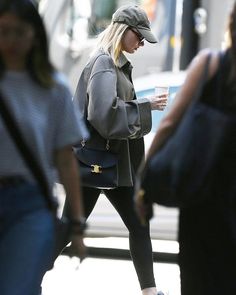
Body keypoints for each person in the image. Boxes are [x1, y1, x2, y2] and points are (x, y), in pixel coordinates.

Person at [135, 2, 236, 295]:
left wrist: (143, 181)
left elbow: (168, 126)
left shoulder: (209, 64)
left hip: (202, 204)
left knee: (199, 282)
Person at [70, 4, 168, 295]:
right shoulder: (103, 63)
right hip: (98, 163)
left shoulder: (114, 63)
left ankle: (150, 291)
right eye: (139, 37)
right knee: (67, 228)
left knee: (139, 225)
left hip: (111, 163)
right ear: (123, 31)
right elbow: (103, 115)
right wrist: (145, 106)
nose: (140, 43)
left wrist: (143, 107)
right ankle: (24, 276)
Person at [0, 0, 88, 294]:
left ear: (34, 35)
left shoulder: (54, 89)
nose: (11, 40)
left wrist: (76, 225)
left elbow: (66, 161)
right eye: (4, 31)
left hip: (31, 204)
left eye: (19, 32)